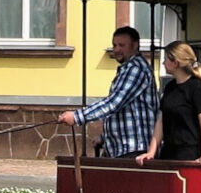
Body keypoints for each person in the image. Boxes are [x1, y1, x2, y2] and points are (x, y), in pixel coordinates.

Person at [58, 26, 159, 158]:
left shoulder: (136, 69)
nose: (116, 49)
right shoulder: (127, 68)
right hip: (123, 148)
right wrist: (105, 137)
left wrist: (77, 116)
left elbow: (114, 103)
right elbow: (124, 113)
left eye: (122, 45)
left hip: (135, 149)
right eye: (114, 45)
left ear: (135, 45)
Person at [138, 41, 201, 166]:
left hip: (189, 152)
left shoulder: (197, 88)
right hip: (168, 151)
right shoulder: (170, 87)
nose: (163, 63)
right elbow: (160, 121)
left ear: (176, 63)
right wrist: (151, 152)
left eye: (166, 59)